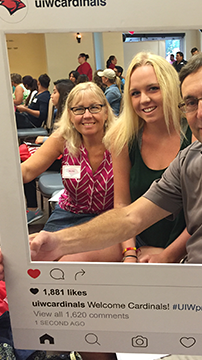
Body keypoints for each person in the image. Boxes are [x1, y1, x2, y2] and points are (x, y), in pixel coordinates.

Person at [28, 53, 202, 271]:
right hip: (190, 276)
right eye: (191, 102)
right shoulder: (192, 158)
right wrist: (57, 242)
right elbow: (130, 216)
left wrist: (169, 254)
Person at [104, 52, 192, 263]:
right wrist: (130, 253)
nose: (144, 99)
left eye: (153, 88)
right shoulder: (123, 137)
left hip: (190, 245)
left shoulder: (195, 131)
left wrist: (167, 255)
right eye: (135, 93)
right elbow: (123, 204)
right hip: (138, 241)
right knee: (72, 261)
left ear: (170, 87)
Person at [24, 82, 121, 264]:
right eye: (78, 109)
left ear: (106, 111)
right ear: (69, 114)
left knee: (70, 264)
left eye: (94, 107)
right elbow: (27, 170)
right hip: (69, 214)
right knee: (35, 257)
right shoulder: (63, 138)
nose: (87, 115)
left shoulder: (120, 140)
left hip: (109, 218)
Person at [23, 79, 75, 223]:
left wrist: (46, 141)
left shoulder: (71, 118)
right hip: (60, 157)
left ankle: (33, 209)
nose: (51, 96)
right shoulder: (58, 112)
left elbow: (67, 141)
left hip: (64, 163)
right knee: (26, 163)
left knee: (27, 162)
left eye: (55, 92)